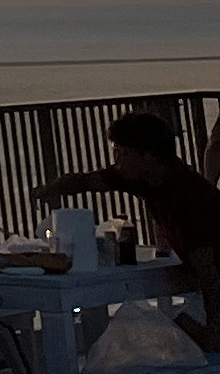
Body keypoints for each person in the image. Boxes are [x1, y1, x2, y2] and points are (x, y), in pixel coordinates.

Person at [34, 108, 220, 344]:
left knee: (166, 337)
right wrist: (52, 189)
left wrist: (215, 327)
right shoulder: (148, 180)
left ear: (148, 156)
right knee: (165, 331)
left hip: (215, 288)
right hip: (207, 287)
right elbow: (90, 181)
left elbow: (208, 270)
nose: (117, 161)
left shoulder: (188, 197)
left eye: (122, 153)